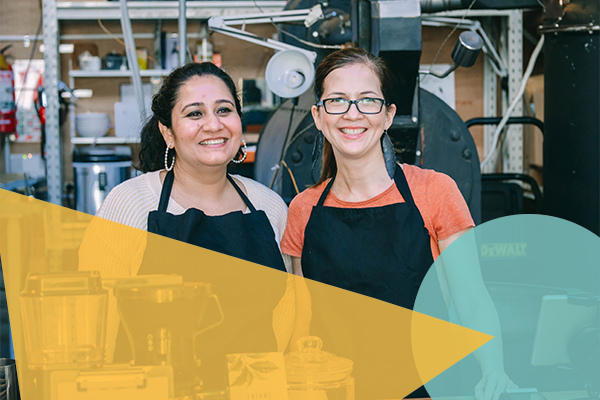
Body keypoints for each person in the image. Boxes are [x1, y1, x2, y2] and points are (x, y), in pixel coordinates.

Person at [281, 48, 516, 400]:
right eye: (337, 101)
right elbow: (301, 321)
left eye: (367, 101)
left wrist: (494, 371)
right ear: (318, 116)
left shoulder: (434, 191)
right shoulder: (304, 208)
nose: (352, 113)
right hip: (338, 390)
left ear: (388, 115)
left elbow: (472, 299)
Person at [79, 62, 294, 391]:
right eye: (195, 114)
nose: (213, 125)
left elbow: (283, 320)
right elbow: (94, 326)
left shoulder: (269, 206)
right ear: (168, 132)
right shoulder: (132, 204)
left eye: (224, 110)